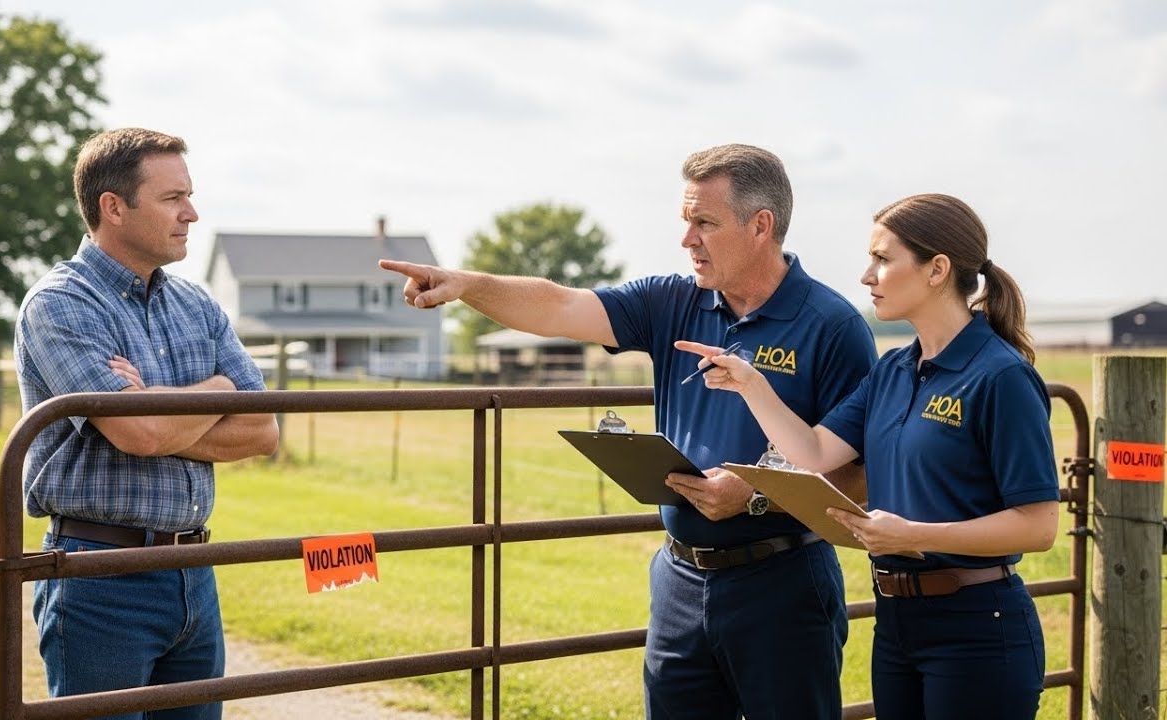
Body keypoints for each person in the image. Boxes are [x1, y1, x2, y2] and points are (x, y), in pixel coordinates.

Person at [380, 143, 877, 719]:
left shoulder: (833, 326)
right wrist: (467, 285)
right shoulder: (672, 300)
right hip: (679, 581)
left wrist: (755, 492)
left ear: (760, 225)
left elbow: (860, 480)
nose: (687, 239)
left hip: (782, 584)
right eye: (686, 221)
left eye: (704, 223)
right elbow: (559, 307)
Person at [680, 193, 1059, 718]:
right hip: (897, 623)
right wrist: (750, 385)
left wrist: (915, 536)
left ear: (937, 270)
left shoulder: (1001, 376)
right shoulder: (892, 370)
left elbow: (1038, 526)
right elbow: (814, 452)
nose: (866, 275)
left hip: (977, 627)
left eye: (882, 259)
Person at [14, 127, 280, 720]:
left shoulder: (197, 304)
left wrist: (157, 403)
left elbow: (263, 430)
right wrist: (220, 391)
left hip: (193, 571)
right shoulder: (61, 303)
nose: (191, 213)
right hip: (100, 575)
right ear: (114, 207)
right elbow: (139, 434)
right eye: (172, 198)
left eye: (189, 196)